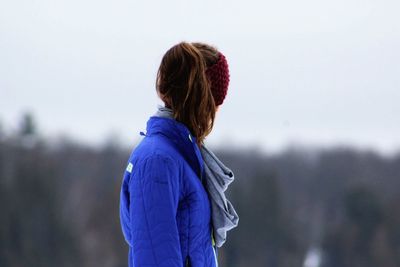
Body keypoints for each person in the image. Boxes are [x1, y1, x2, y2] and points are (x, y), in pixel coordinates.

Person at [119, 41, 239, 267]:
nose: (215, 112)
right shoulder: (157, 162)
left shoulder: (182, 157)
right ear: (201, 100)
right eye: (215, 103)